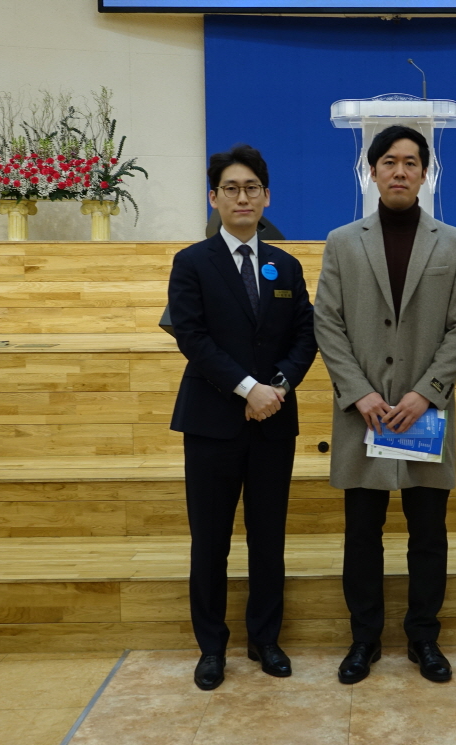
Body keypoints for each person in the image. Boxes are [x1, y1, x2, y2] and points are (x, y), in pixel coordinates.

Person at [313, 125, 456, 684]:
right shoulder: (342, 241)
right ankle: (364, 640)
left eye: (411, 162)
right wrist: (359, 392)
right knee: (362, 535)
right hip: (363, 415)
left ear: (425, 172)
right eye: (389, 161)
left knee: (428, 535)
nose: (400, 171)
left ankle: (423, 639)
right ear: (373, 171)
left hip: (424, 414)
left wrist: (425, 392)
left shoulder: (454, 243)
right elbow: (327, 322)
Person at [168, 144, 317, 691]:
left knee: (267, 537)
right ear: (214, 198)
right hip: (212, 423)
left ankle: (265, 639)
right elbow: (192, 337)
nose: (242, 197)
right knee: (210, 541)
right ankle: (212, 648)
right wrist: (248, 388)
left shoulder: (286, 265)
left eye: (252, 188)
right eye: (230, 188)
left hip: (273, 422)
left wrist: (277, 387)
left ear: (267, 196)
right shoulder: (192, 263)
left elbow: (306, 334)